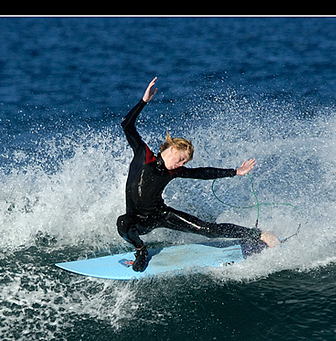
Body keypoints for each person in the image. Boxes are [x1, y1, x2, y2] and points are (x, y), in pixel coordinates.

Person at [117, 77, 280, 271]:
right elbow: (127, 125)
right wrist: (143, 102)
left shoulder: (174, 171)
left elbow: (202, 173)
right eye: (181, 158)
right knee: (123, 223)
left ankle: (258, 235)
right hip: (137, 220)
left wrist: (235, 172)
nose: (182, 163)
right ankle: (140, 249)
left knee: (208, 230)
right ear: (171, 149)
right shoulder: (144, 156)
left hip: (160, 215)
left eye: (185, 162)